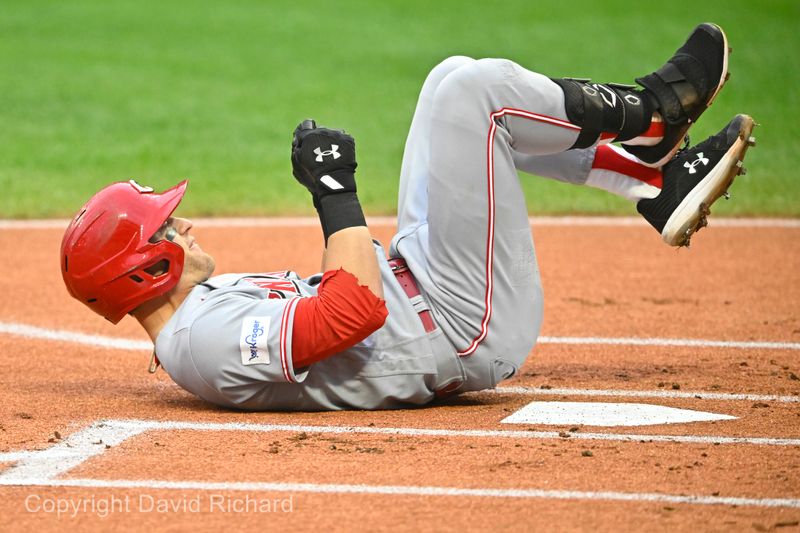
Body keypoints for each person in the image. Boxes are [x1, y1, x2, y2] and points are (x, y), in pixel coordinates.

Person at [60, 23, 756, 411]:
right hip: (461, 323)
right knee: (473, 95)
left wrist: (338, 201)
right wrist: (334, 192)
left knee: (450, 78)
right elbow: (350, 313)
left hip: (423, 282)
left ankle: (652, 178)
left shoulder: (200, 317)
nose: (183, 226)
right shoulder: (202, 346)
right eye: (165, 230)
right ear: (143, 268)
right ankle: (653, 114)